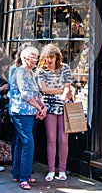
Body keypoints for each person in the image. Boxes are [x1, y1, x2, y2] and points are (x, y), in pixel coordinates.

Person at [9, 46, 47, 190]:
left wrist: (42, 106)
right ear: (25, 58)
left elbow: (36, 93)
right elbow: (25, 95)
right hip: (21, 112)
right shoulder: (20, 72)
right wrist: (39, 108)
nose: (36, 60)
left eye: (36, 57)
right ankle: (24, 177)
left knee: (20, 142)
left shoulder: (30, 72)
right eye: (33, 57)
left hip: (29, 112)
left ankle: (17, 173)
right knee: (27, 143)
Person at [37, 44, 73, 182]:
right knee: (51, 139)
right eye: (47, 57)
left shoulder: (65, 68)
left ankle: (62, 170)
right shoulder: (42, 71)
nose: (49, 60)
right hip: (49, 106)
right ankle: (51, 170)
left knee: (63, 140)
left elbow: (67, 88)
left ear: (57, 56)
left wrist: (62, 91)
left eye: (52, 57)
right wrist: (61, 90)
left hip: (63, 106)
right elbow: (44, 90)